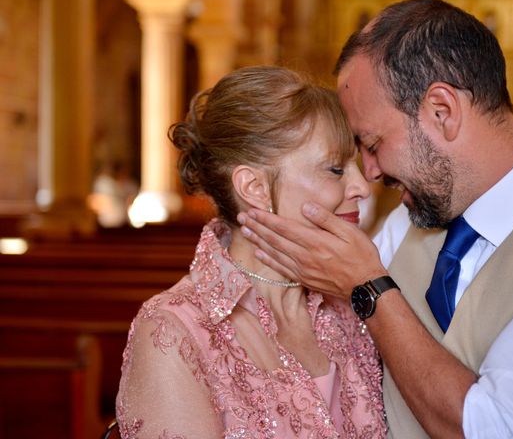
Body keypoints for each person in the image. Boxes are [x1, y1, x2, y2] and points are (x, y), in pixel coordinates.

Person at [236, 0, 513, 438]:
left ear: (442, 112)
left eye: (372, 144)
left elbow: (495, 428)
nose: (369, 173)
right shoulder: (402, 228)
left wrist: (368, 287)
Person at [115, 66, 386, 438]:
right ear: (254, 187)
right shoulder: (176, 332)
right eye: (336, 169)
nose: (362, 187)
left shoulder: (350, 305)